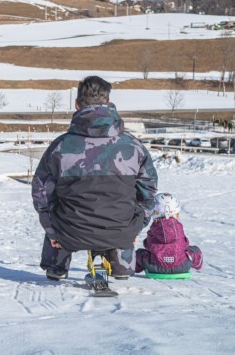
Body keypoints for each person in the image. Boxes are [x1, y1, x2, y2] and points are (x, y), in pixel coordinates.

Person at [31, 76, 158, 281]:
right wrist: (137, 227)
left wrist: (53, 231)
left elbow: (41, 194)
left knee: (57, 207)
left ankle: (57, 267)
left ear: (76, 105)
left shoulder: (60, 147)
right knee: (122, 215)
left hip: (70, 231)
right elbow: (149, 191)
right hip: (121, 230)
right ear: (108, 103)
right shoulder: (133, 147)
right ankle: (121, 266)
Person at [135, 193, 203, 275]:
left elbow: (148, 244)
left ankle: (131, 269)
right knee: (195, 250)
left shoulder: (155, 227)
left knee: (139, 254)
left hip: (154, 265)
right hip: (181, 266)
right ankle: (198, 265)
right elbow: (185, 243)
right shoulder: (178, 226)